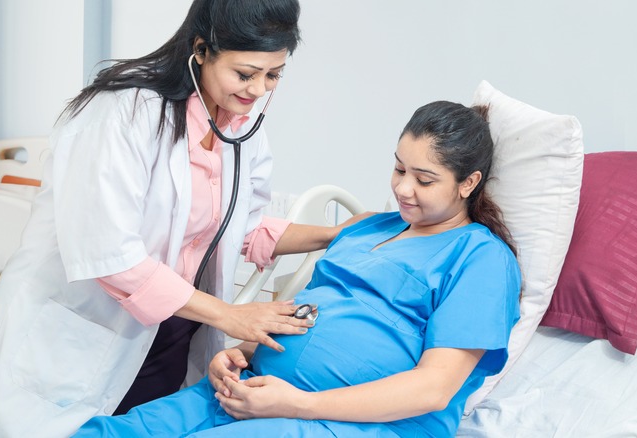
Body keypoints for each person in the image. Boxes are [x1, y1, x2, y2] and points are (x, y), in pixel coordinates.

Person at [0, 1, 353, 437]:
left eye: (274, 75)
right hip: (84, 332)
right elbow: (110, 255)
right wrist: (229, 316)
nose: (259, 89)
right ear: (201, 50)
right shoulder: (120, 114)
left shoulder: (241, 130)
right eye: (245, 73)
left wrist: (334, 234)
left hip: (171, 330)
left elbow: (239, 228)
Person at [74, 100, 522, 437]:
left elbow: (433, 389)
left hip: (355, 423)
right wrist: (239, 356)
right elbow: (315, 313)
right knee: (116, 431)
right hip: (256, 390)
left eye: (424, 180)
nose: (403, 189)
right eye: (399, 168)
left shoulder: (480, 258)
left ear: (468, 182)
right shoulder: (368, 230)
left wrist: (300, 403)